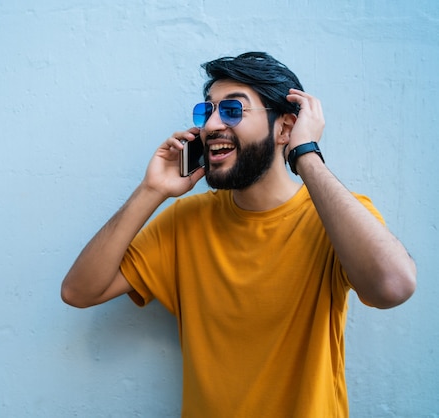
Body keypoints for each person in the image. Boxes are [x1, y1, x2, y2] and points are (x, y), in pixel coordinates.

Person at [61, 51, 416, 417]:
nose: (211, 125)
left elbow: (393, 287)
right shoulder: (186, 222)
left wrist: (306, 154)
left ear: (285, 128)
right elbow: (79, 291)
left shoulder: (335, 216)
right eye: (207, 111)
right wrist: (152, 190)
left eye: (232, 110)